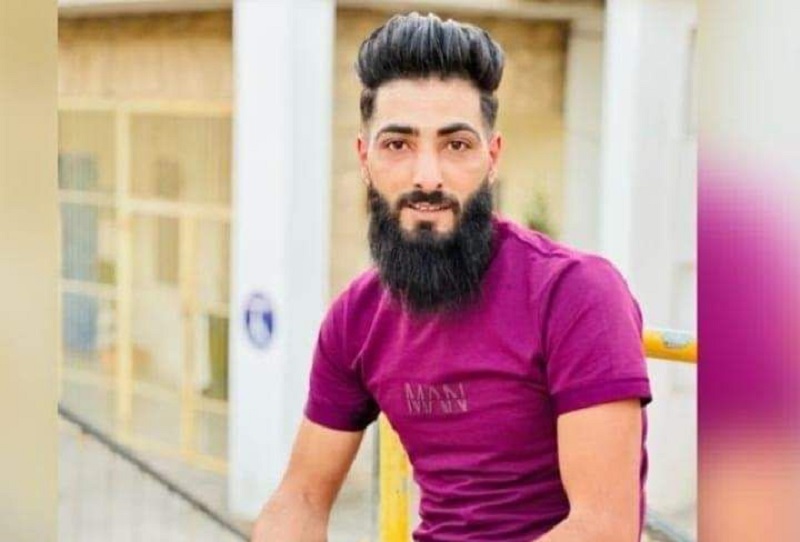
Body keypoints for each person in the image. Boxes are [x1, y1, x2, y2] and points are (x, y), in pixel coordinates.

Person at [252, 12, 651, 542]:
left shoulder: (575, 294)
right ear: (365, 158)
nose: (427, 177)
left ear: (492, 156)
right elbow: (300, 498)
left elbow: (602, 527)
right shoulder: (356, 318)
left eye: (456, 145)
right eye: (398, 145)